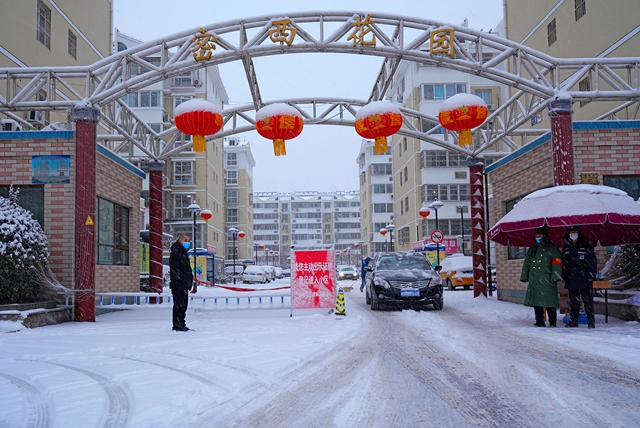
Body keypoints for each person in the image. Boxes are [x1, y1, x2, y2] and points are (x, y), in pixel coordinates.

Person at [520, 226, 563, 327]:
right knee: (537, 301)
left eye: (540, 235)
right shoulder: (532, 249)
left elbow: (557, 262)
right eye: (536, 235)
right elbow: (527, 264)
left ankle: (553, 321)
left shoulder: (552, 248)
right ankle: (539, 321)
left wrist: (556, 275)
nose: (538, 237)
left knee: (549, 301)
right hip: (535, 279)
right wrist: (524, 276)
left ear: (545, 235)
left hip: (547, 278)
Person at [562, 225, 598, 329]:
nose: (573, 234)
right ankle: (574, 321)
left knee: (588, 302)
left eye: (575, 232)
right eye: (571, 232)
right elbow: (564, 263)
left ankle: (590, 321)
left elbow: (592, 261)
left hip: (585, 278)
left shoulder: (586, 245)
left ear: (578, 233)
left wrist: (591, 275)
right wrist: (564, 275)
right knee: (573, 302)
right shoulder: (566, 246)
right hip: (571, 278)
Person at [169, 233, 194, 331]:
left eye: (188, 241)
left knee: (183, 306)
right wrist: (182, 280)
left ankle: (181, 323)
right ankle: (177, 324)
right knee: (178, 306)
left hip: (184, 284)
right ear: (179, 240)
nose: (187, 243)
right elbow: (176, 270)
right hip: (178, 284)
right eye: (185, 240)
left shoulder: (183, 253)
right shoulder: (176, 253)